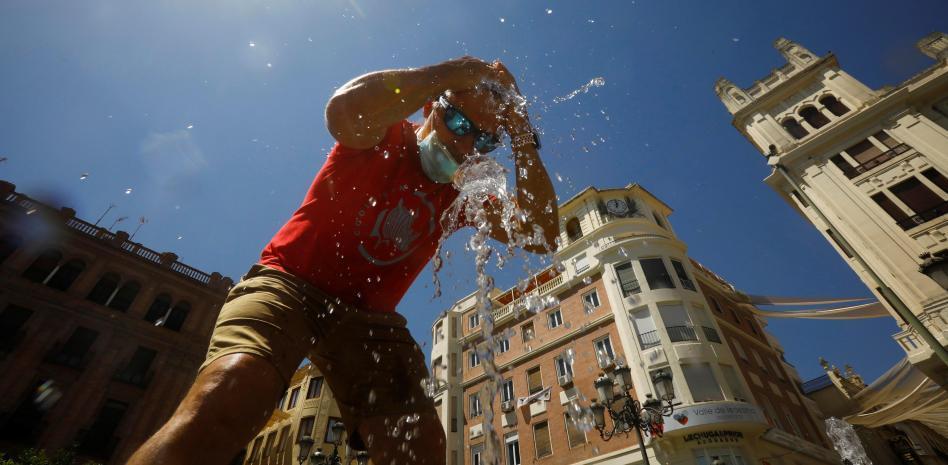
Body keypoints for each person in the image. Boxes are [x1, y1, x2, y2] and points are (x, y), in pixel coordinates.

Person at [127, 56, 559, 465]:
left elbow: (541, 233)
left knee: (420, 445)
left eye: (483, 140)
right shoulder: (383, 133)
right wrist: (455, 70)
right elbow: (342, 110)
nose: (464, 144)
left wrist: (521, 133)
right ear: (432, 105)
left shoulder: (465, 194)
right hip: (289, 283)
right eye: (458, 122)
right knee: (229, 393)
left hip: (370, 321)